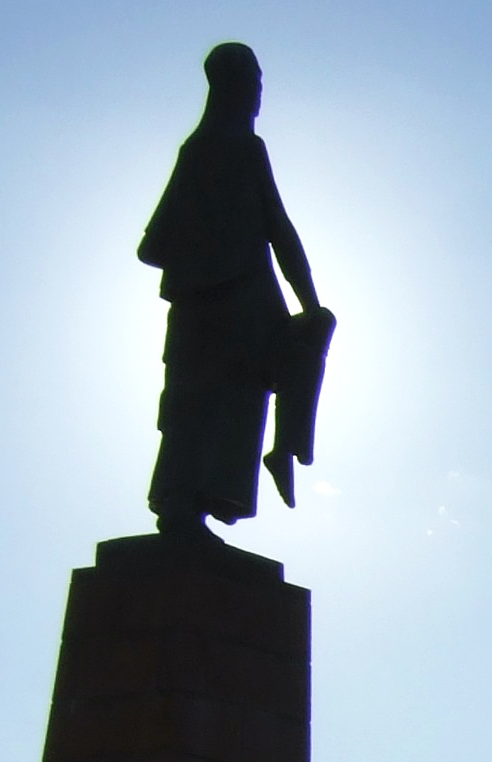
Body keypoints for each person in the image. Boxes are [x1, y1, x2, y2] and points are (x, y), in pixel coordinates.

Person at [138, 43, 334, 537]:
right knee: (202, 405)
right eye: (255, 82)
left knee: (221, 405)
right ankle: (280, 452)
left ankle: (278, 453)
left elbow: (275, 231)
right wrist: (305, 302)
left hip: (228, 308)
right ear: (234, 86)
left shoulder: (204, 148)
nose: (258, 94)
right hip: (229, 308)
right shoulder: (237, 148)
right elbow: (157, 244)